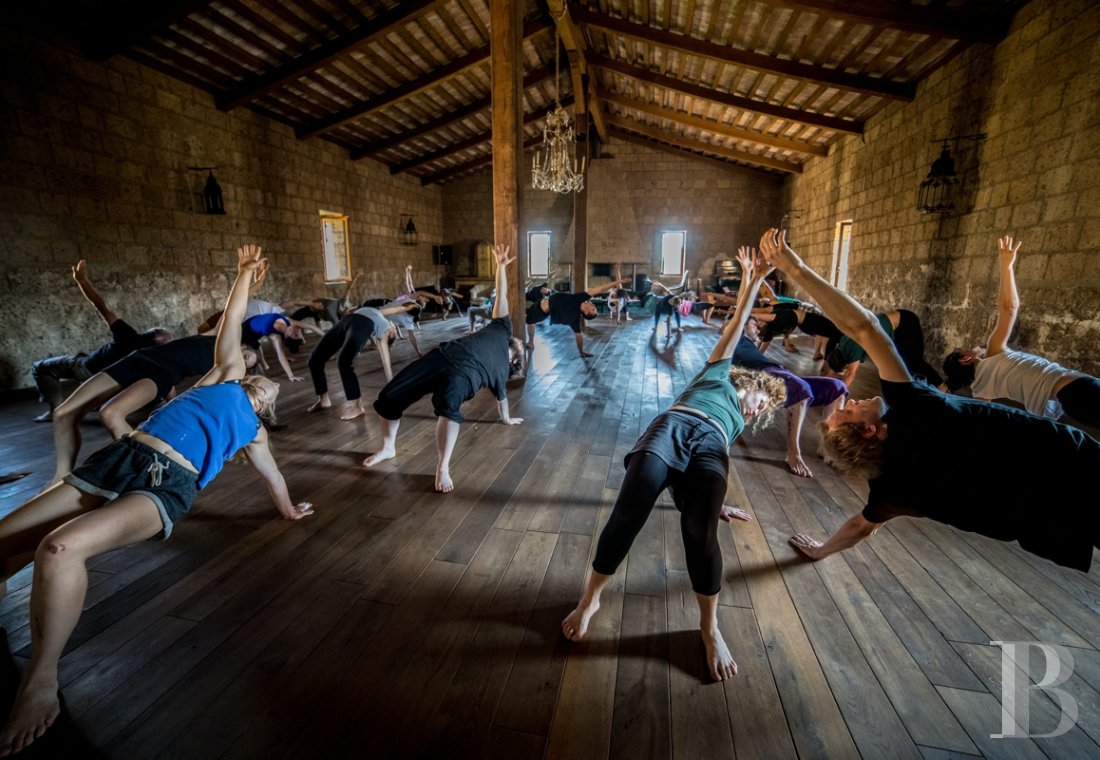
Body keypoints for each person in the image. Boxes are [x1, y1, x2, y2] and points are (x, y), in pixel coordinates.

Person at [0, 245, 313, 757]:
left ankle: (40, 679)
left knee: (58, 549)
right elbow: (232, 320)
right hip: (119, 459)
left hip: (166, 485)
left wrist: (288, 509)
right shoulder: (224, 376)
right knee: (6, 541)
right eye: (263, 382)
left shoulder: (254, 431)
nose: (267, 388)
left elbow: (274, 477)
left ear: (269, 406)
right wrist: (242, 277)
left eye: (271, 394)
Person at [754, 229, 1100, 571]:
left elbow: (862, 526)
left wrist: (820, 551)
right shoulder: (914, 409)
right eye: (849, 411)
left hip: (1056, 525)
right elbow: (866, 329)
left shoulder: (890, 488)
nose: (853, 401)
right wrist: (796, 269)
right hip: (1074, 465)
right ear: (870, 430)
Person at [561, 246, 786, 682]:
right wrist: (752, 279)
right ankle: (590, 599)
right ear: (752, 384)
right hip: (673, 426)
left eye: (763, 412)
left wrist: (713, 503)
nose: (759, 410)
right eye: (762, 402)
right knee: (629, 511)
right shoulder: (716, 375)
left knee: (701, 532)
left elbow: (701, 475)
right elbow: (737, 323)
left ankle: (709, 627)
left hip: (710, 445)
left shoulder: (735, 424)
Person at [363, 243, 526, 493]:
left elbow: (502, 402)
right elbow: (502, 295)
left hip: (465, 374)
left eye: (524, 350)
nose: (523, 345)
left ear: (515, 360)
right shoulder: (502, 329)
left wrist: (507, 419)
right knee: (389, 396)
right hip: (442, 355)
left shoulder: (502, 372)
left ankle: (443, 467)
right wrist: (501, 267)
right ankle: (388, 447)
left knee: (448, 408)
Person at [941, 235, 1100, 428]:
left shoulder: (981, 390)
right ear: (965, 358)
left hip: (1071, 404)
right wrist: (1006, 266)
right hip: (1080, 388)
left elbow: (981, 418)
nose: (972, 346)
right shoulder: (994, 353)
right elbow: (1008, 308)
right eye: (966, 349)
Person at [48, 333, 246, 486]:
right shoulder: (223, 337)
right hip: (137, 359)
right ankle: (60, 477)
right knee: (62, 413)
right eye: (246, 355)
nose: (246, 359)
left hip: (160, 373)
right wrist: (249, 285)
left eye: (248, 362)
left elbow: (219, 399)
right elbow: (231, 313)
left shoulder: (228, 370)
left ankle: (148, 473)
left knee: (110, 414)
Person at [31, 261, 172, 422]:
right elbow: (168, 386)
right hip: (113, 381)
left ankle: (54, 411)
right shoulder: (156, 359)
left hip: (89, 369)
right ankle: (94, 401)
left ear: (148, 333)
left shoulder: (127, 335)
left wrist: (82, 281)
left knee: (40, 367)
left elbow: (100, 306)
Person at [736, 316, 846, 477]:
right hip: (764, 375)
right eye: (754, 325)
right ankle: (793, 453)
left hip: (780, 373)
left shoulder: (751, 344)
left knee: (838, 387)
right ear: (741, 326)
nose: (758, 329)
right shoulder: (736, 339)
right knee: (802, 388)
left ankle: (827, 446)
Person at [306, 302, 419, 420]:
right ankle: (323, 399)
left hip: (362, 324)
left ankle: (357, 406)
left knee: (344, 361)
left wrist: (391, 384)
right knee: (314, 359)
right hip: (346, 320)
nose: (395, 327)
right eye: (395, 329)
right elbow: (396, 309)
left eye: (395, 331)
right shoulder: (378, 312)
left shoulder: (385, 330)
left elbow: (386, 361)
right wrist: (408, 307)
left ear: (391, 333)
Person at [526, 264, 632, 357]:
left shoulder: (574, 318)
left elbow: (579, 336)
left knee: (529, 321)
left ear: (586, 312)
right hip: (541, 299)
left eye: (593, 309)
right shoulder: (580, 298)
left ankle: (531, 341)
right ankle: (530, 339)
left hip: (540, 311)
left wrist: (581, 352)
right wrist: (619, 281)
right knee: (529, 305)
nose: (593, 305)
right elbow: (600, 289)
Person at [824, 308, 943, 389]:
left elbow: (851, 374)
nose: (846, 369)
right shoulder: (841, 344)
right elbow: (841, 368)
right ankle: (920, 388)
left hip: (906, 322)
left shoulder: (854, 349)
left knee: (915, 361)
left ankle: (941, 386)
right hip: (897, 328)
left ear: (845, 363)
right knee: (903, 362)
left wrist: (839, 394)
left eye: (844, 368)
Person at [240, 310, 323, 382]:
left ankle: (255, 371)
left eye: (295, 335)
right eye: (298, 333)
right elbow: (311, 326)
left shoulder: (275, 336)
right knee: (255, 346)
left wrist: (291, 376)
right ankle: (264, 365)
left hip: (246, 333)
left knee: (251, 349)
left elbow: (281, 355)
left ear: (287, 336)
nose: (296, 330)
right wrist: (330, 337)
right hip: (249, 324)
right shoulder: (289, 322)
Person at [285, 268, 364, 327]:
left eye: (349, 313)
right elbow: (349, 288)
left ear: (344, 317)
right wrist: (357, 275)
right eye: (350, 311)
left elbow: (337, 329)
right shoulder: (342, 303)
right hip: (315, 305)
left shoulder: (334, 317)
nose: (348, 310)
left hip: (313, 309)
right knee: (312, 317)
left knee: (296, 318)